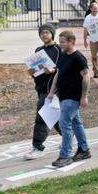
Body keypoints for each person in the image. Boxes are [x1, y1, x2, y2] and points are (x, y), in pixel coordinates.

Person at [46, 29, 91, 168]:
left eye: (63, 42)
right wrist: (52, 91)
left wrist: (84, 96)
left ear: (72, 41)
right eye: (60, 42)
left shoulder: (78, 57)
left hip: (73, 97)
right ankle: (84, 149)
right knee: (76, 123)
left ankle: (65, 155)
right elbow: (58, 74)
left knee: (64, 124)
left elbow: (86, 77)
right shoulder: (63, 55)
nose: (60, 44)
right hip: (63, 95)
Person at [25, 23, 61, 160]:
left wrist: (53, 70)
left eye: (47, 32)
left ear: (52, 34)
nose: (44, 35)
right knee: (55, 117)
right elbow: (35, 70)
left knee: (41, 118)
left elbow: (61, 68)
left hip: (52, 89)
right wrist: (32, 72)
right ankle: (69, 136)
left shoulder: (58, 50)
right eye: (41, 33)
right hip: (41, 88)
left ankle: (38, 147)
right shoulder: (39, 50)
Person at [82, 0, 98, 79]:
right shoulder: (88, 17)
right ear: (91, 9)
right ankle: (96, 71)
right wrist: (85, 41)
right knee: (94, 56)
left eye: (97, 8)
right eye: (94, 8)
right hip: (92, 39)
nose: (96, 9)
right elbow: (85, 30)